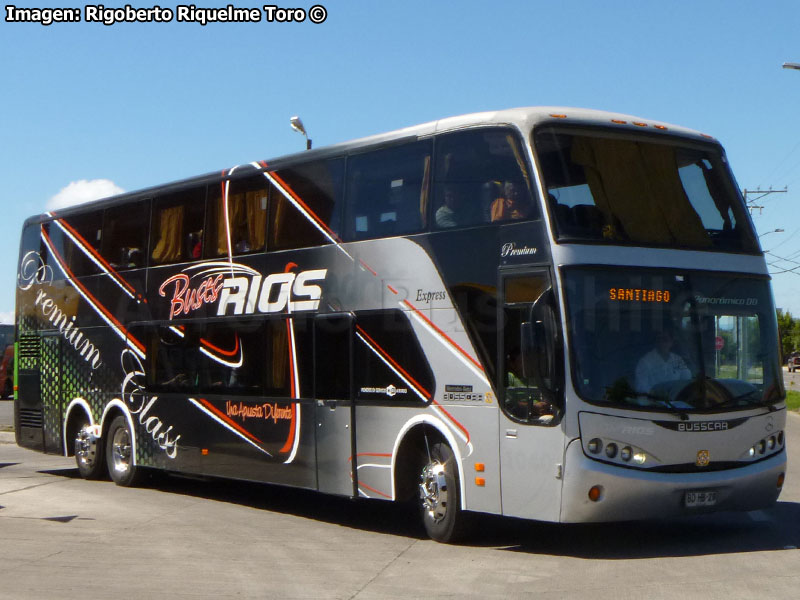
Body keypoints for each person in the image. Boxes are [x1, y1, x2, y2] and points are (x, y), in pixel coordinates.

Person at [505, 348, 553, 420]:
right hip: (519, 416)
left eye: (527, 360)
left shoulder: (534, 378)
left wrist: (545, 404)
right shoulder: (510, 377)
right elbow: (509, 403)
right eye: (522, 361)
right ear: (512, 364)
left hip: (540, 415)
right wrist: (532, 407)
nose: (526, 363)